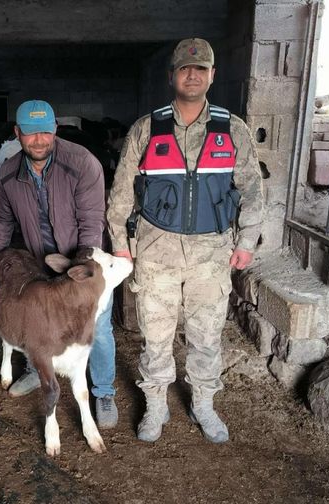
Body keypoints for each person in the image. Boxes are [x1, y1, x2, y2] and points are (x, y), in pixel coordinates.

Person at [106, 38, 265, 444]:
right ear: (172, 75)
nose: (192, 75)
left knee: (207, 335)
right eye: (184, 68)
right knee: (155, 335)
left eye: (201, 69)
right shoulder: (147, 127)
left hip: (211, 253)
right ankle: (156, 405)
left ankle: (204, 404)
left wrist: (246, 240)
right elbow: (121, 192)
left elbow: (251, 190)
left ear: (212, 75)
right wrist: (122, 247)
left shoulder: (232, 129)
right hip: (157, 249)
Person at [0, 100, 119, 428]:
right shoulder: (7, 173)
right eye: (31, 134)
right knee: (36, 321)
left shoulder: (83, 163)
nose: (39, 140)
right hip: (38, 263)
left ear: (55, 130)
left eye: (45, 131)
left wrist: (79, 274)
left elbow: (91, 223)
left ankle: (103, 391)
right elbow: (0, 225)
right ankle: (36, 369)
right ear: (18, 134)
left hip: (81, 266)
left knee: (96, 327)